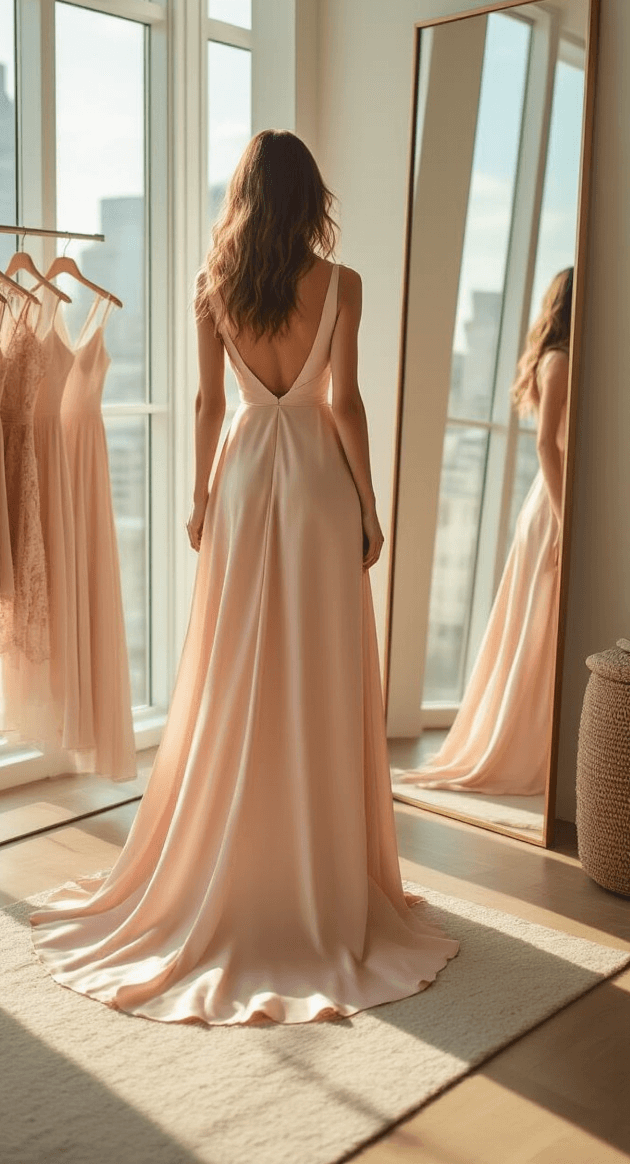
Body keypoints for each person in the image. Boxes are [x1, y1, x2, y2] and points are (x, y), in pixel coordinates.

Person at [30, 129, 458, 1025]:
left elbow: (208, 403)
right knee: (320, 668)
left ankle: (238, 845)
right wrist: (369, 504)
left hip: (240, 480)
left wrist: (197, 498)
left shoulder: (211, 285)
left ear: (243, 196)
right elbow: (342, 401)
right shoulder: (343, 286)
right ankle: (317, 865)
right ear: (310, 200)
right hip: (314, 485)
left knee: (232, 668)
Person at [399, 267, 573, 797]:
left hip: (552, 499)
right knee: (539, 625)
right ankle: (523, 746)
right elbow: (547, 444)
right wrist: (567, 519)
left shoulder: (557, 358)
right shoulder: (561, 360)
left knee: (541, 627)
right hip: (554, 502)